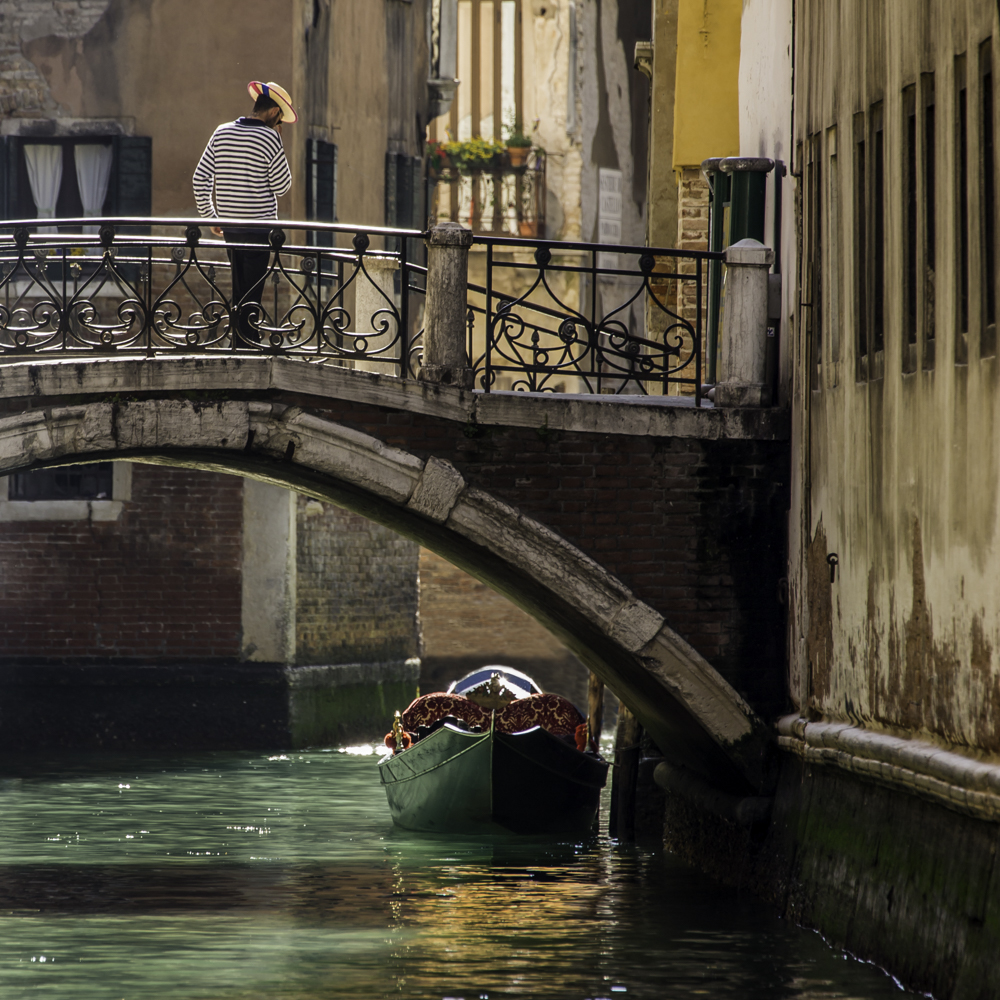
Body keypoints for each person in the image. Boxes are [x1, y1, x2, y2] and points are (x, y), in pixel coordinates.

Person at [192, 81, 296, 346]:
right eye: (280, 118)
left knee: (239, 287)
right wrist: (278, 143)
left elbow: (200, 178)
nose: (279, 123)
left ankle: (239, 341)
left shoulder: (221, 131)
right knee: (252, 290)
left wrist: (211, 216)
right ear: (274, 112)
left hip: (231, 228)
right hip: (259, 228)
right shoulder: (270, 137)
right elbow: (282, 186)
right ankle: (247, 342)